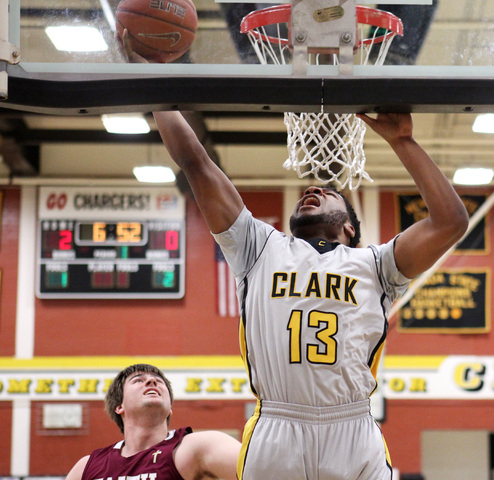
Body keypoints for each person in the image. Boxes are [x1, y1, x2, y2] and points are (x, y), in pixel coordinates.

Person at [120, 29, 468, 480]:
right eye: (309, 189)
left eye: (326, 192)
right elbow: (195, 161)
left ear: (349, 226)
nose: (312, 190)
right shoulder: (259, 247)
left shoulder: (376, 265)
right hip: (276, 427)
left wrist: (403, 142)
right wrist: (154, 82)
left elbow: (450, 222)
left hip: (353, 427)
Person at [64, 364, 241, 480]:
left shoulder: (197, 448)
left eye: (159, 382)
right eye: (138, 380)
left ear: (170, 407)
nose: (152, 381)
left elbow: (261, 471)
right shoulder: (86, 467)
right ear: (119, 406)